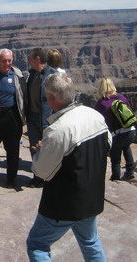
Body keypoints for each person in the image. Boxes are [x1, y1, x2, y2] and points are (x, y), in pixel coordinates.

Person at [27, 73, 111, 262]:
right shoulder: (95, 116)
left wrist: (41, 151)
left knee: (37, 245)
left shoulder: (58, 130)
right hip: (92, 198)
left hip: (63, 205)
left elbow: (41, 172)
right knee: (90, 241)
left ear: (51, 97)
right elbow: (108, 145)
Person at [0, 48, 26, 188]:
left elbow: (23, 96)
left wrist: (23, 117)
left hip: (12, 115)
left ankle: (11, 178)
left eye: (9, 61)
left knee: (13, 149)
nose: (7, 63)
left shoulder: (17, 76)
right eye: (4, 61)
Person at [94, 78, 136, 181]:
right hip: (131, 131)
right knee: (126, 147)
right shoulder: (121, 97)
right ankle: (130, 172)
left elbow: (98, 120)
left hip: (116, 135)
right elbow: (130, 110)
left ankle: (116, 179)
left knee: (116, 159)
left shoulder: (101, 104)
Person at [26, 48, 54, 188]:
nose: (28, 61)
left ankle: (49, 177)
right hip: (32, 118)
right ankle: (37, 177)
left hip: (47, 119)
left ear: (37, 59)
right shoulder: (32, 74)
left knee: (48, 149)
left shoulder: (51, 75)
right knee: (34, 148)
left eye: (30, 58)